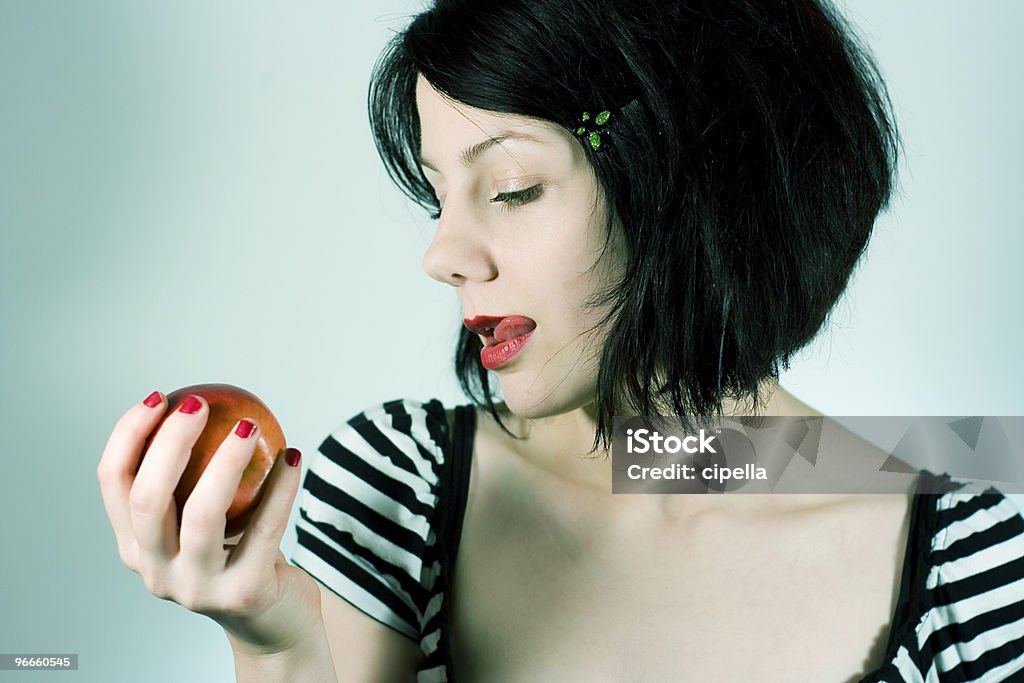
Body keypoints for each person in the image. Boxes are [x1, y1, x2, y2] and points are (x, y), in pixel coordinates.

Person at [98, 0, 1024, 681]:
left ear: (695, 184)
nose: (442, 254)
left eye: (509, 188)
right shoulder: (402, 478)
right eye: (436, 195)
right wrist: (274, 637)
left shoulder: (978, 540)